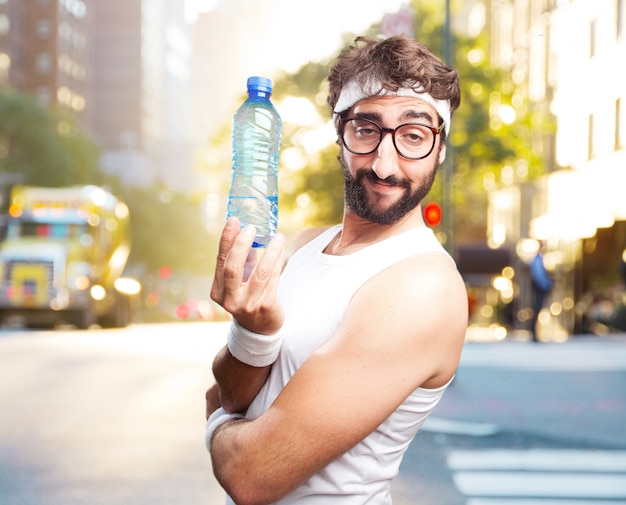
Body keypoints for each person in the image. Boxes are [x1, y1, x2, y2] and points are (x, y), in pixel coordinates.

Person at [205, 34, 467, 505]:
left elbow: (249, 475)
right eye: (367, 129)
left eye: (414, 135)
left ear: (440, 148)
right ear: (340, 135)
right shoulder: (307, 244)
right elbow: (230, 391)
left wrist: (217, 424)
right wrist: (255, 329)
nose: (386, 165)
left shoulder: (421, 285)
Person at [529, 245, 554, 342]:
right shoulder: (538, 260)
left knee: (537, 310)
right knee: (536, 310)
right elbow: (539, 275)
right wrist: (547, 285)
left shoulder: (538, 259)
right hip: (540, 288)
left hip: (540, 287)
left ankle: (534, 332)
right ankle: (533, 332)